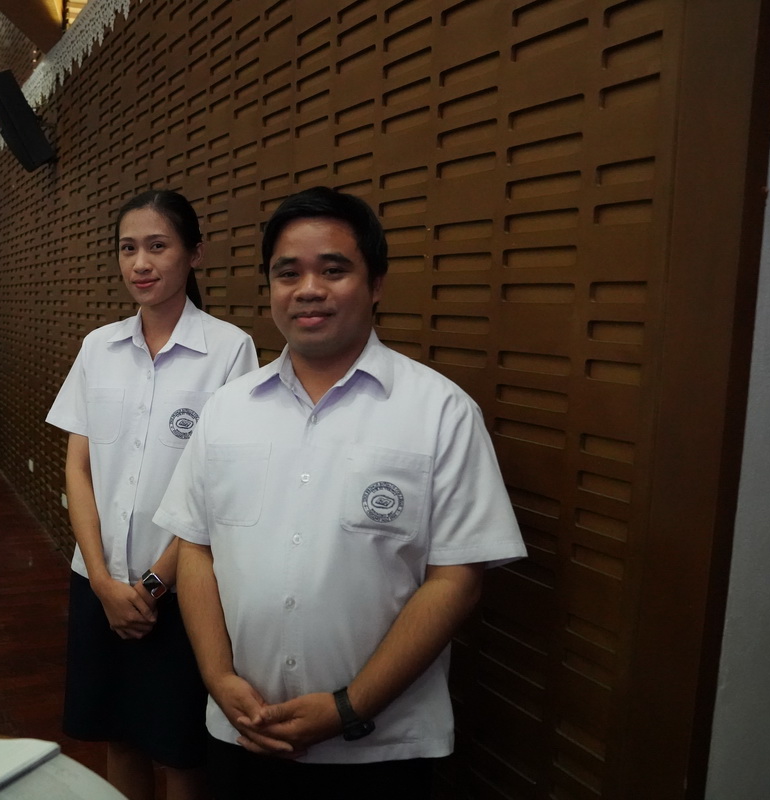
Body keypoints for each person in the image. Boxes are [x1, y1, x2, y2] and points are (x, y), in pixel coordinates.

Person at [153, 187, 527, 798]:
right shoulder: (226, 411)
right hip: (242, 730)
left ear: (376, 284)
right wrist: (218, 678)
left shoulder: (440, 412)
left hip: (380, 746)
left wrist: (349, 706)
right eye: (287, 273)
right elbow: (195, 548)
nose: (308, 289)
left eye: (333, 270)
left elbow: (456, 578)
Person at [47, 190, 259, 800]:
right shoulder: (99, 347)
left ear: (194, 254)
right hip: (98, 582)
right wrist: (101, 580)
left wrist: (153, 585)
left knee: (180, 748)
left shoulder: (229, 350)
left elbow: (222, 486)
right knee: (118, 736)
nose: (140, 263)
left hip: (182, 588)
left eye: (158, 246)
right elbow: (79, 467)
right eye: (128, 248)